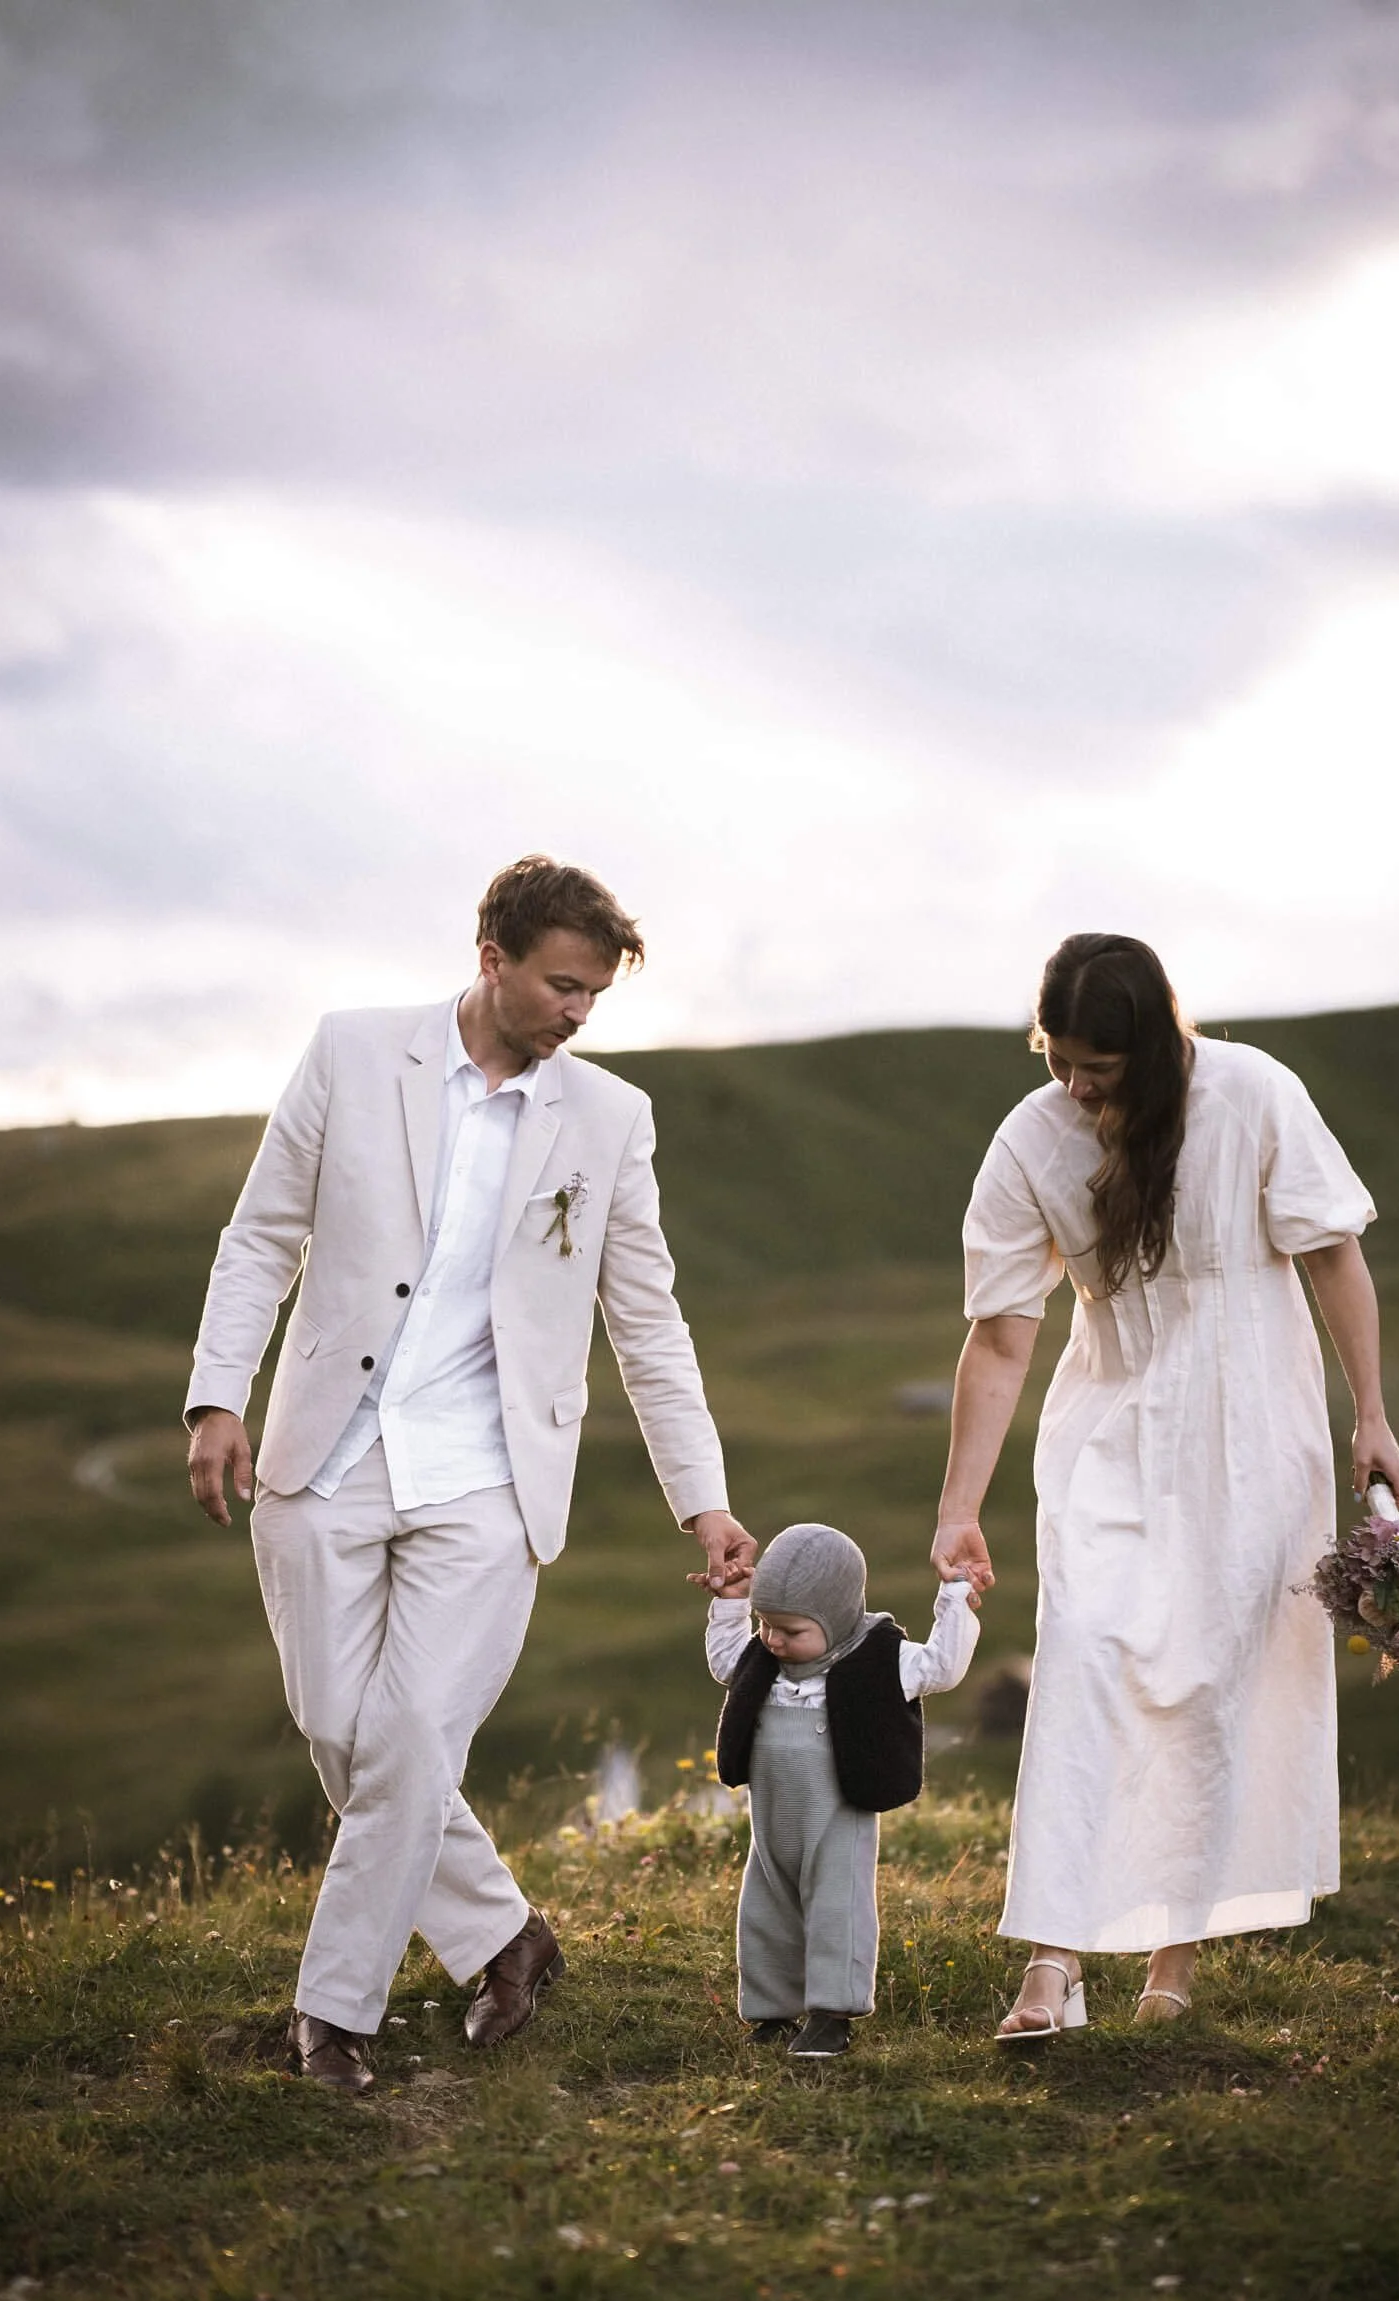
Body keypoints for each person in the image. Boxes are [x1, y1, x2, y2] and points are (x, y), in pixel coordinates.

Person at [185, 856, 756, 2092]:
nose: (576, 1014)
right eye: (560, 985)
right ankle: (505, 1936)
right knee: (344, 1734)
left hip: (493, 1479)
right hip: (327, 1453)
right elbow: (261, 1235)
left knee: (404, 1737)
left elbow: (646, 1323)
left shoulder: (609, 1119)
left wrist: (700, 1497)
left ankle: (332, 2015)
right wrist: (217, 1393)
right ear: (489, 957)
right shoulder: (349, 1052)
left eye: (595, 996)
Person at [932, 934, 1399, 2038]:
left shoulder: (1251, 1093)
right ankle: (1051, 1964)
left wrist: (1369, 1414)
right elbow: (1001, 1336)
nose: (1073, 1083)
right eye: (1056, 1058)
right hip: (1110, 1424)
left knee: (1207, 1683)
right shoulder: (1029, 1138)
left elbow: (1332, 1254)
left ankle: (1169, 1963)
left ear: (1151, 1041)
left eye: (1095, 1063)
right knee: (1087, 1657)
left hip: (1253, 1432)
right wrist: (958, 1507)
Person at [705, 1522, 979, 2058]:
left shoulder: (880, 1660)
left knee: (837, 1909)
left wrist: (955, 1595)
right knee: (764, 1912)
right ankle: (771, 2012)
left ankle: (834, 2012)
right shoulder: (765, 1659)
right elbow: (723, 1663)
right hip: (772, 1822)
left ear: (836, 1619)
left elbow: (941, 1668)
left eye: (791, 1630)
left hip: (838, 1817)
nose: (774, 1639)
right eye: (765, 1624)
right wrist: (732, 1605)